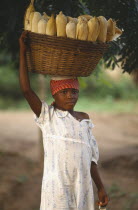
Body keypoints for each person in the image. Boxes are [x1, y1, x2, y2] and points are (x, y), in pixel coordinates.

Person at [19, 31, 110, 210]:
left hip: (82, 187)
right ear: (54, 94)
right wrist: (22, 51)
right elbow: (26, 90)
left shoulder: (84, 119)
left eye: (74, 91)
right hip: (57, 189)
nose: (70, 96)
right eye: (64, 92)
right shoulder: (48, 116)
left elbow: (91, 159)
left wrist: (100, 187)